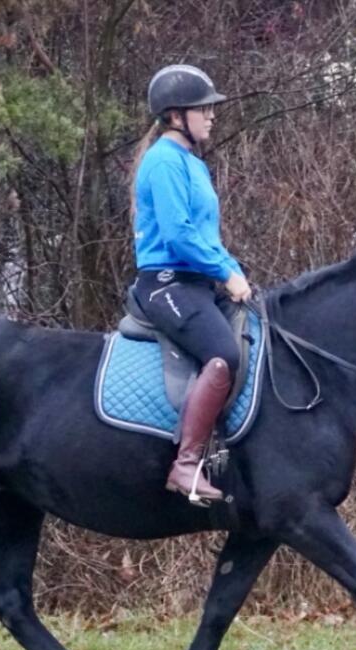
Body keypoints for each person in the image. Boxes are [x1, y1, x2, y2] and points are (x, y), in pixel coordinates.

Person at [129, 64, 252, 505]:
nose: (211, 116)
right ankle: (186, 465)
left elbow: (206, 238)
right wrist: (225, 273)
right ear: (175, 115)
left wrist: (234, 271)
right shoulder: (163, 161)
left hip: (197, 283)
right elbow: (179, 235)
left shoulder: (193, 164)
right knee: (223, 354)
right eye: (204, 109)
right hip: (167, 284)